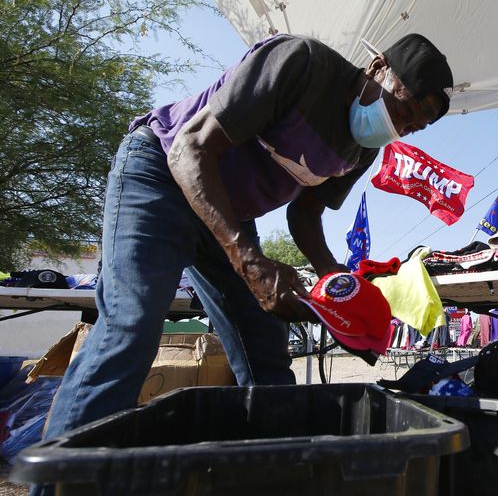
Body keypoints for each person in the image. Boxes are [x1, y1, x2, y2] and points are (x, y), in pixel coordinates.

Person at [40, 33, 453, 447]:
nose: (396, 127)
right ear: (378, 68)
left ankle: (272, 470)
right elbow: (190, 150)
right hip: (160, 175)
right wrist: (249, 261)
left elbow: (305, 213)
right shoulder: (302, 63)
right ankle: (62, 478)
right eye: (401, 108)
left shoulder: (363, 146)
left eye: (410, 128)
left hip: (228, 213)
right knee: (131, 327)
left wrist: (336, 284)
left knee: (264, 349)